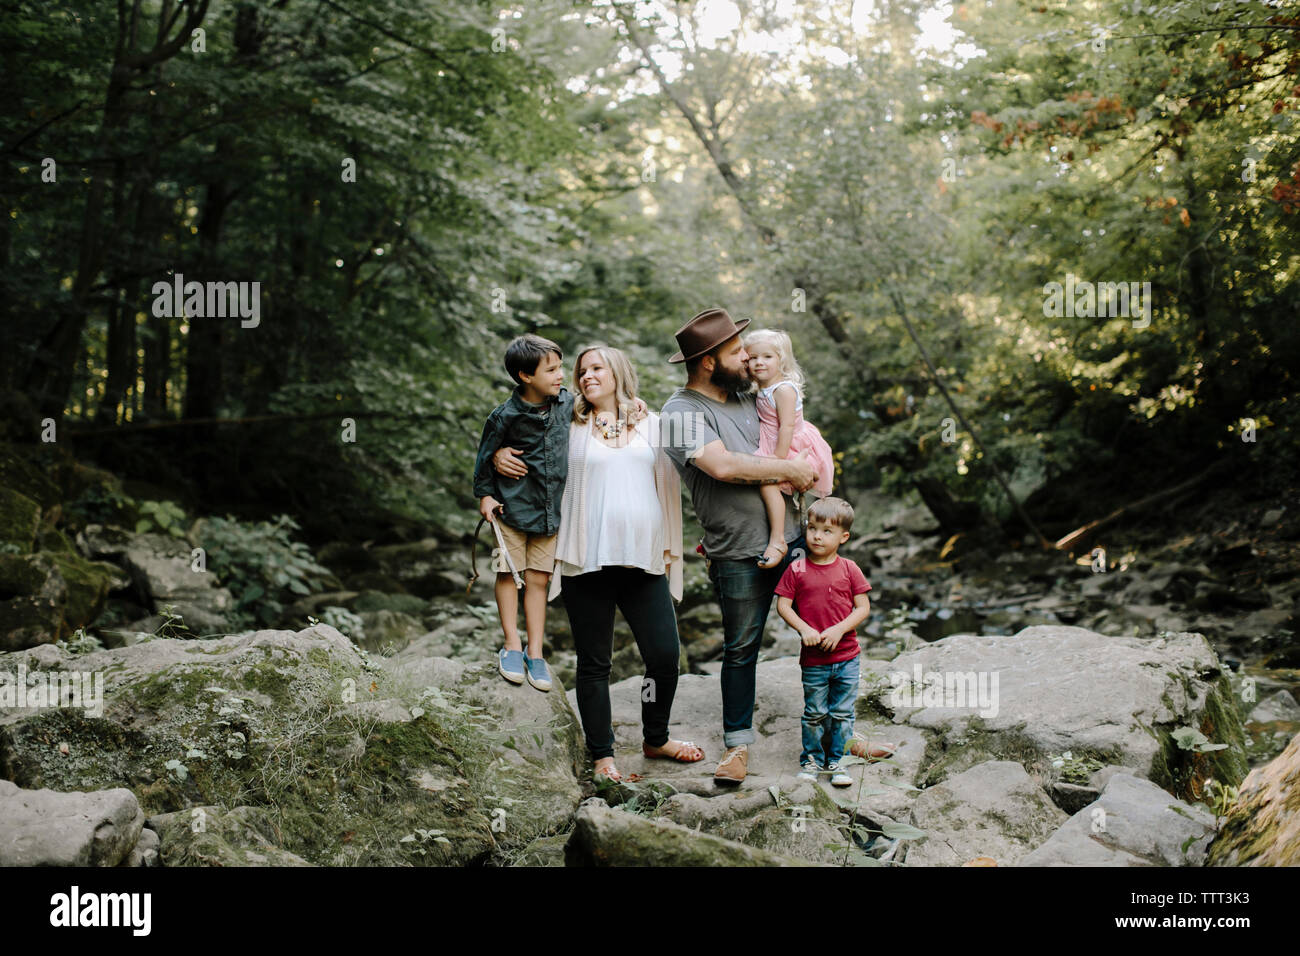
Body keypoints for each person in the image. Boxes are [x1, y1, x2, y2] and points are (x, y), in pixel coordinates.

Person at [499, 345, 697, 781]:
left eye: (596, 368)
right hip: (585, 561)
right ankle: (603, 753)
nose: (586, 375)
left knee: (664, 656)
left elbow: (678, 482)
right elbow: (512, 432)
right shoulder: (565, 424)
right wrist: (497, 457)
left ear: (619, 371)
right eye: (581, 370)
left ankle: (655, 737)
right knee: (594, 664)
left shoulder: (654, 424)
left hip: (643, 559)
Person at [660, 307, 817, 786]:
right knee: (741, 648)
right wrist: (788, 471)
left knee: (824, 636)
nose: (746, 358)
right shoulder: (679, 413)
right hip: (737, 552)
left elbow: (788, 432)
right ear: (708, 361)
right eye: (735, 352)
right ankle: (738, 745)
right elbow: (723, 466)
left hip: (794, 541)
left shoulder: (752, 398)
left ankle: (836, 731)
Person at [472, 334, 568, 691]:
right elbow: (485, 459)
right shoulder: (504, 416)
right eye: (552, 369)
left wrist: (631, 404)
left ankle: (536, 651)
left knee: (540, 579)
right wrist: (484, 496)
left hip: (549, 513)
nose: (561, 375)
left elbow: (599, 411)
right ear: (526, 376)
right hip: (511, 507)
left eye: (561, 367)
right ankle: (512, 643)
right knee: (509, 573)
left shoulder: (566, 404)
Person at [774, 496, 872, 787]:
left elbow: (863, 607)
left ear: (844, 537)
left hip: (846, 657)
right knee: (815, 712)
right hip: (814, 660)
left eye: (827, 531)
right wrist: (804, 629)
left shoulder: (849, 568)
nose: (817, 536)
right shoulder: (798, 568)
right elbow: (783, 606)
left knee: (842, 713)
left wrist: (839, 630)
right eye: (813, 528)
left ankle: (838, 762)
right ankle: (812, 760)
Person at [744, 328, 836, 569]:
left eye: (767, 357)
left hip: (787, 444)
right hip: (774, 440)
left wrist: (779, 460)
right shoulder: (762, 388)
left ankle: (778, 538)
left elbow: (786, 426)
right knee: (769, 484)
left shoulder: (783, 389)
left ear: (781, 360)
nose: (758, 362)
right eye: (753, 357)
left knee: (767, 483)